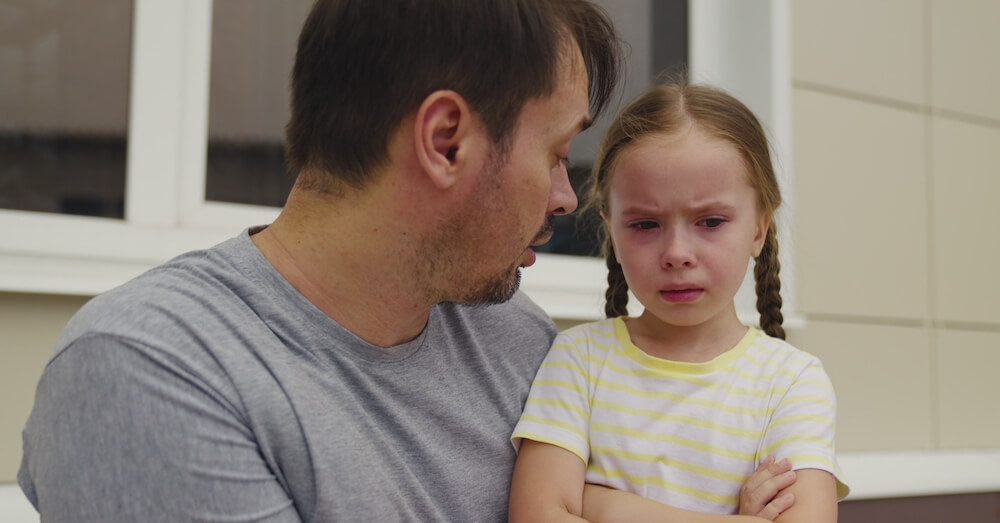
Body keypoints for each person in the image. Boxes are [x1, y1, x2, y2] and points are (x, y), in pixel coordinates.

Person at [17, 1, 623, 521]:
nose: (566, 196)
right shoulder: (151, 368)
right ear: (446, 142)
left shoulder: (517, 343)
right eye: (556, 152)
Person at [508, 83, 850, 522]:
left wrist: (600, 503)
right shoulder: (579, 361)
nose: (676, 253)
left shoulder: (792, 384)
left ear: (759, 229)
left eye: (710, 221)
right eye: (646, 223)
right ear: (611, 229)